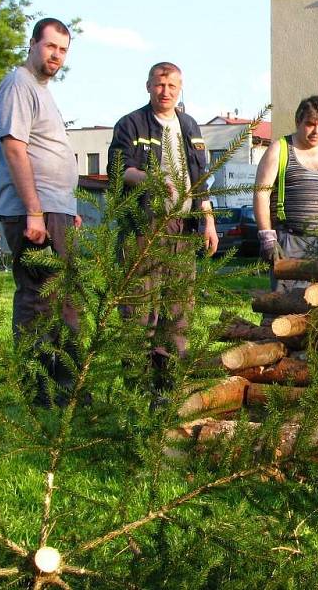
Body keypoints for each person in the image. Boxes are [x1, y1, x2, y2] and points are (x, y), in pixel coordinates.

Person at [108, 61, 218, 398]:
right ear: (148, 86)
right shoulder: (131, 124)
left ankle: (167, 388)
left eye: (171, 86)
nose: (165, 91)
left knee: (178, 309)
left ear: (180, 88)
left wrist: (209, 220)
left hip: (184, 229)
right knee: (141, 308)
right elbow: (118, 170)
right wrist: (150, 179)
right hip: (145, 227)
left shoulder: (189, 126)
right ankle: (138, 392)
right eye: (159, 85)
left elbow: (200, 178)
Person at [0, 17, 81, 399]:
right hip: (35, 211)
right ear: (32, 44)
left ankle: (63, 383)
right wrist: (34, 210)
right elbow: (15, 147)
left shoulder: (42, 90)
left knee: (63, 298)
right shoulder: (19, 85)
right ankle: (34, 387)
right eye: (50, 47)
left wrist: (67, 206)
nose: (56, 56)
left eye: (63, 50)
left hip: (54, 210)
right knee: (38, 298)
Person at [253, 95, 318, 291]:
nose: (317, 131)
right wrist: (267, 237)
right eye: (310, 124)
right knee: (287, 309)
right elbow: (261, 194)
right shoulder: (280, 149)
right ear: (297, 121)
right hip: (291, 243)